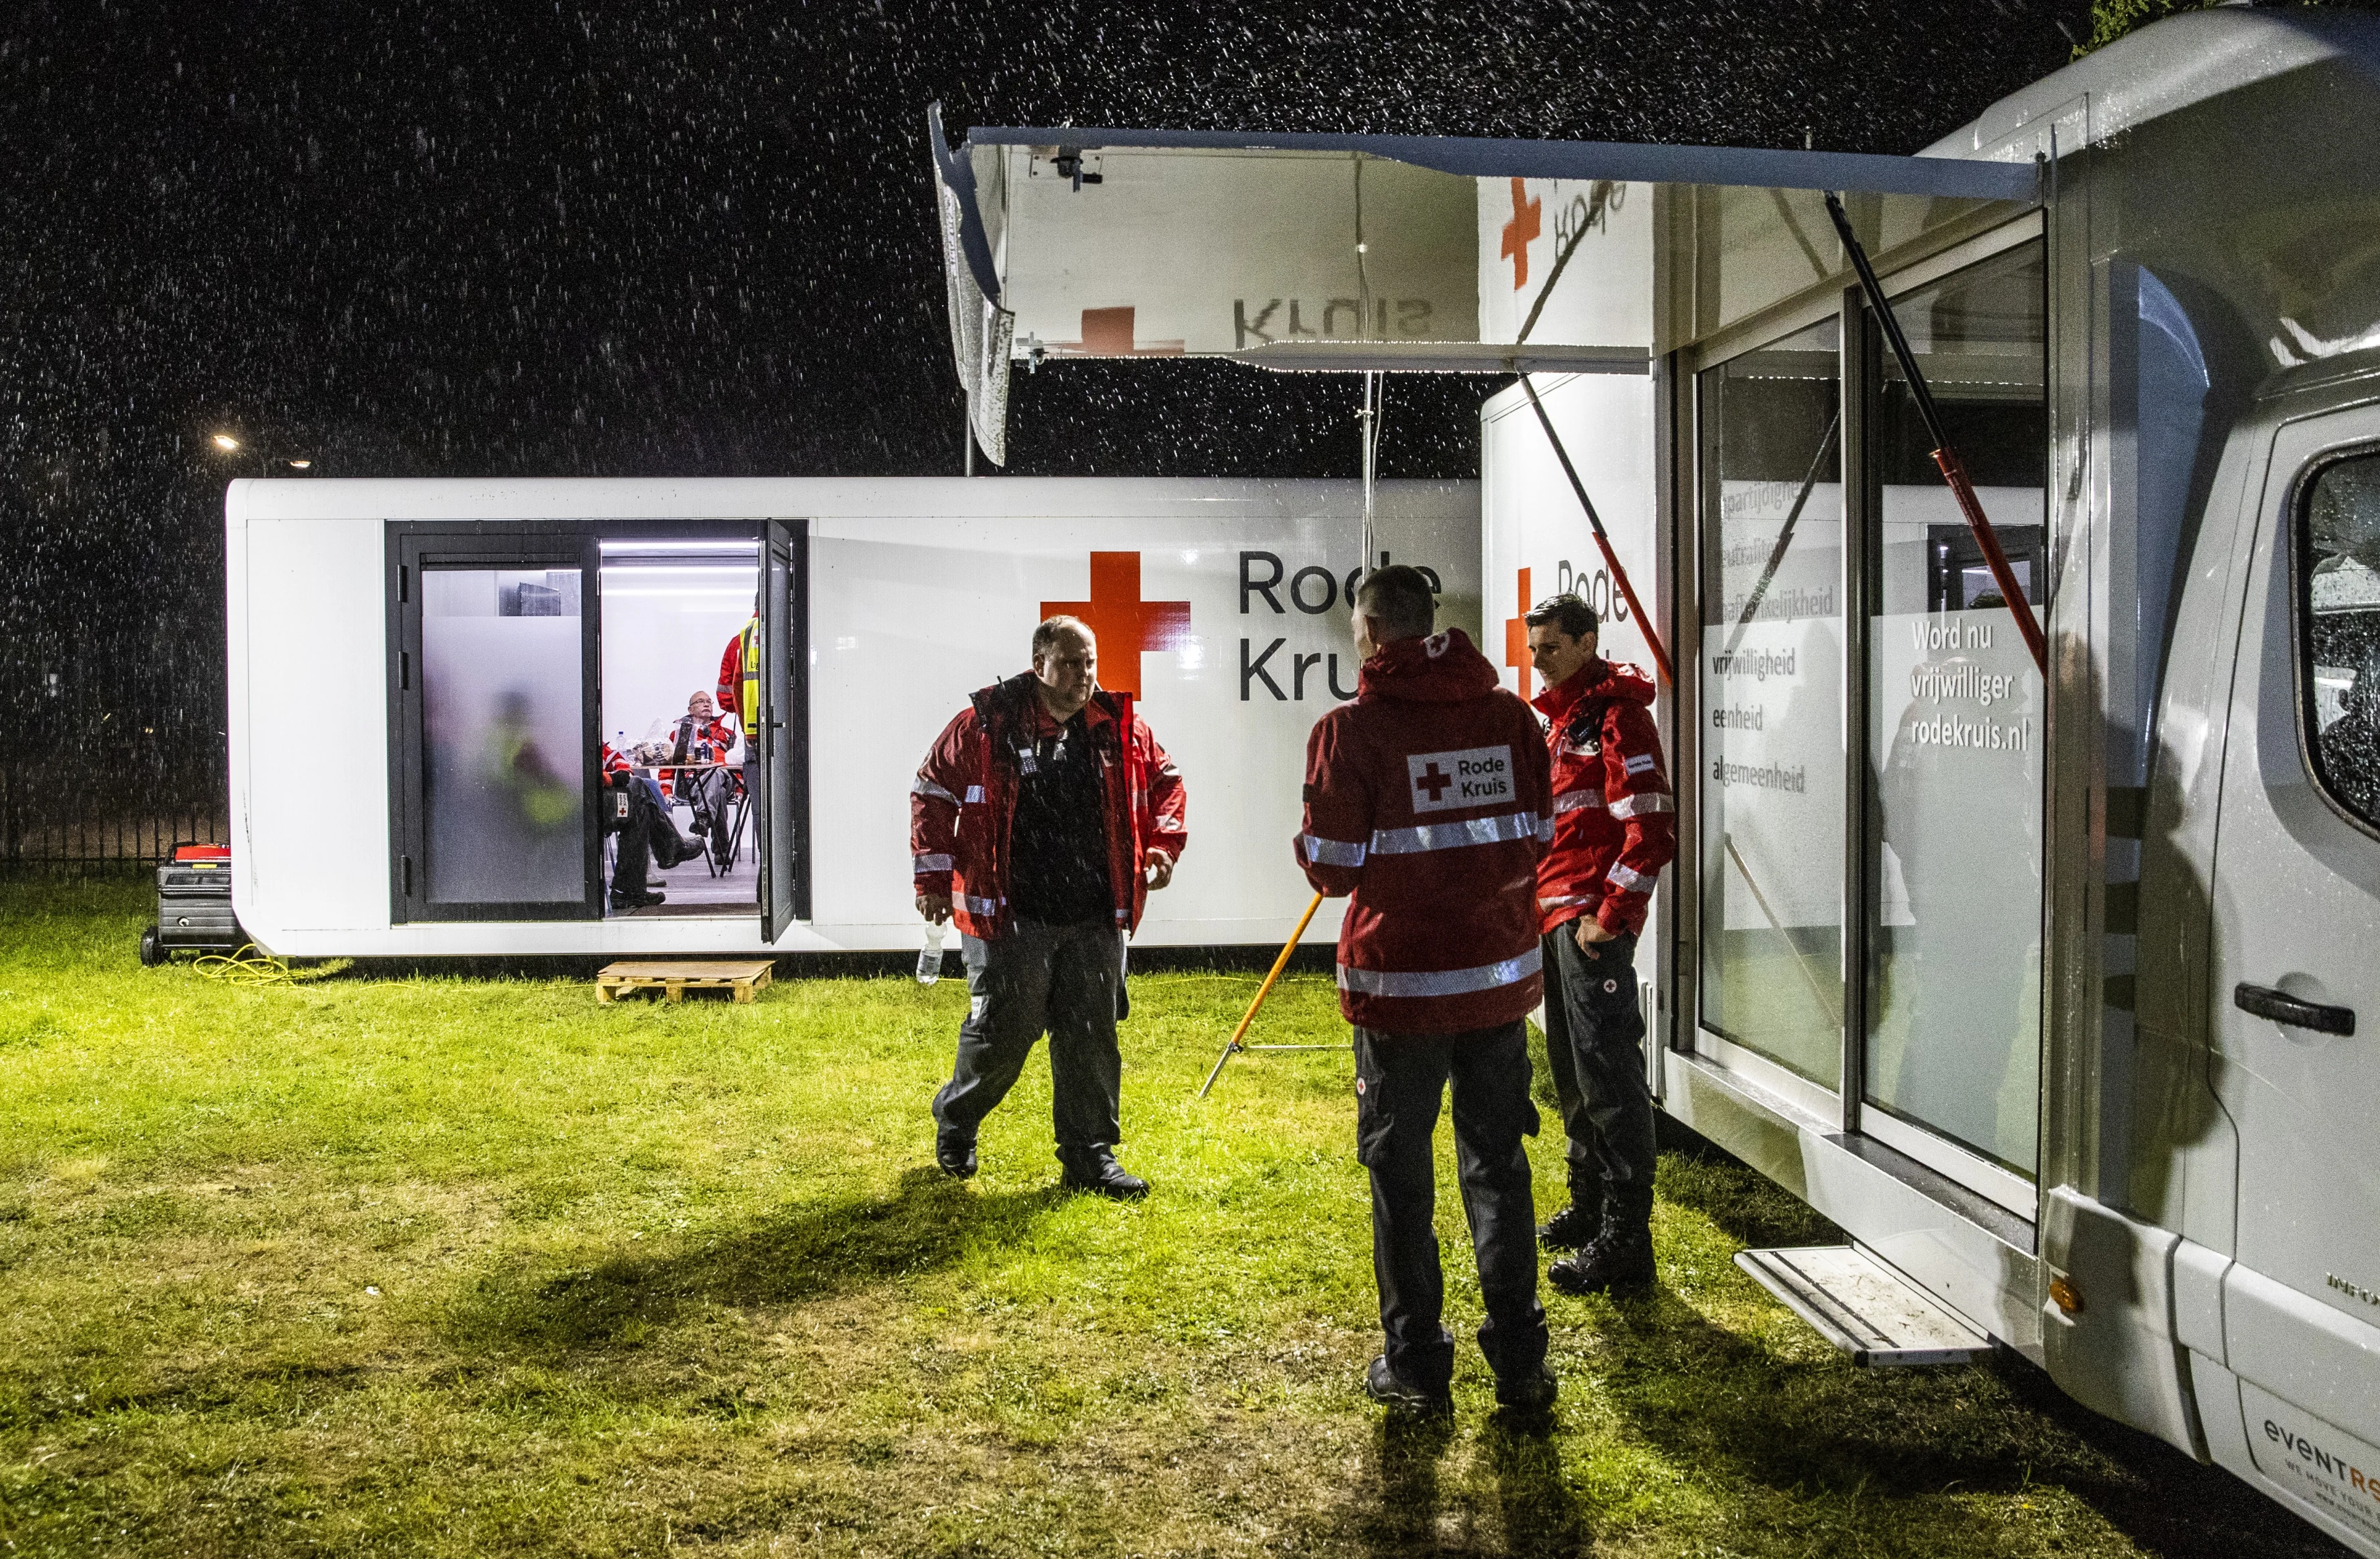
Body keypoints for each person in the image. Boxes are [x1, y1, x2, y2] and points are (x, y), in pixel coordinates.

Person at [1295, 565, 1557, 1415]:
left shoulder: (1351, 733)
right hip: (1496, 987)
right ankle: (1520, 1363)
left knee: (1401, 1175)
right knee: (1499, 1167)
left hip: (1400, 992)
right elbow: (1540, 839)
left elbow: (1332, 872)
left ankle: (1415, 1367)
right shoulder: (1512, 718)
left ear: (1370, 633)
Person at [910, 615, 1188, 1198]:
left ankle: (1090, 1155)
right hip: (1011, 914)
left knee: (1091, 1035)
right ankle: (957, 1118)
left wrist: (1162, 848)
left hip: (1094, 913)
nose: (1084, 676)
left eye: (1089, 663)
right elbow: (932, 791)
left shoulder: (1118, 727)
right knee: (1005, 1032)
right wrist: (933, 878)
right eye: (1069, 663)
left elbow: (1166, 781)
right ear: (1039, 665)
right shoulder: (986, 725)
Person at [1523, 592, 1677, 1296]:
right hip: (1558, 920)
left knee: (1610, 1079)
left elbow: (1650, 828)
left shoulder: (1618, 718)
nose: (1537, 659)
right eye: (1533, 647)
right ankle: (1589, 1208)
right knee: (1574, 1073)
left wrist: (1611, 917)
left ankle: (1626, 1241)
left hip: (1589, 928)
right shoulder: (1563, 723)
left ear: (1587, 642)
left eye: (1550, 646)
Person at [601, 742, 700, 910]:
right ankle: (672, 848)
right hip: (582, 806)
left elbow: (617, 758)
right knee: (639, 790)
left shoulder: (583, 734)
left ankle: (629, 891)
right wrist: (610, 778)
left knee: (641, 807)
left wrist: (621, 772)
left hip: (599, 800)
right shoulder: (570, 736)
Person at [667, 690, 741, 864]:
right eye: (700, 701)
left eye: (709, 701)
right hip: (693, 784)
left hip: (726, 778)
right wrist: (666, 789)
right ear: (690, 709)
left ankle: (703, 818)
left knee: (716, 773)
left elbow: (738, 763)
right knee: (718, 793)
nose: (707, 704)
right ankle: (721, 849)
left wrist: (739, 789)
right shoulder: (682, 733)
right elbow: (669, 765)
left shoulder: (727, 733)